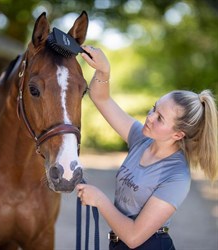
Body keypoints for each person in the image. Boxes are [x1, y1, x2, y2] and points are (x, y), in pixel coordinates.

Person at [76, 45, 218, 250]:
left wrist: (99, 199)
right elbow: (101, 99)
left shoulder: (176, 176)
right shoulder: (142, 138)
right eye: (154, 108)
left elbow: (134, 237)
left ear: (178, 134)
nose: (149, 118)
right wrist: (104, 70)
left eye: (160, 118)